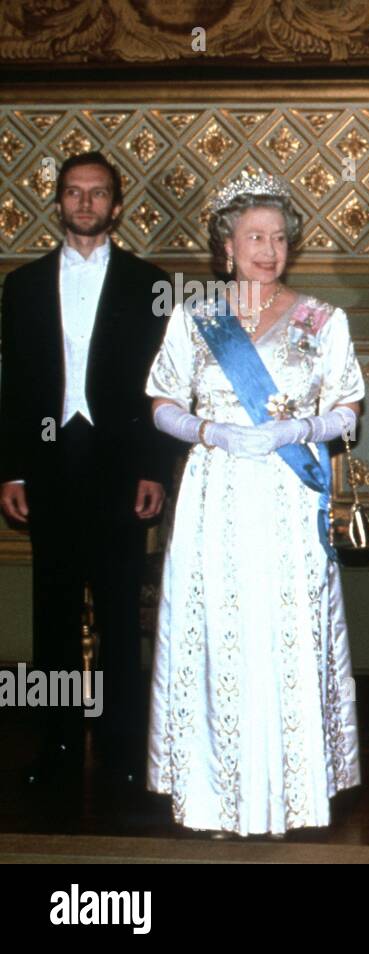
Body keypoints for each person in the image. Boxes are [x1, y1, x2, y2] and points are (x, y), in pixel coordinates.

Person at [144, 170, 363, 836]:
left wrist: (297, 430)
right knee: (217, 632)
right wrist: (212, 431)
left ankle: (294, 793)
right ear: (227, 246)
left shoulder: (323, 319)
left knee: (287, 626)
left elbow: (349, 410)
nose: (268, 249)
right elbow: (161, 404)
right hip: (215, 493)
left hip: (289, 495)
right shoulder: (195, 316)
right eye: (254, 237)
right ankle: (215, 794)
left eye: (278, 237)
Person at [0, 152, 174, 787]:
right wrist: (12, 472)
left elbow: (164, 389)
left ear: (116, 206)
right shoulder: (20, 287)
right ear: (59, 203)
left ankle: (125, 753)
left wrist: (155, 469)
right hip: (49, 468)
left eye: (97, 194)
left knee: (119, 615)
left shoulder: (147, 283)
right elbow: (14, 387)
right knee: (52, 613)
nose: (84, 204)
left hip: (121, 469)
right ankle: (58, 750)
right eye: (73, 193)